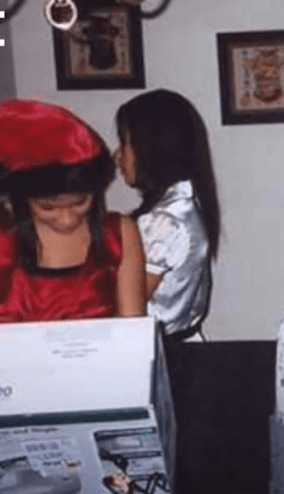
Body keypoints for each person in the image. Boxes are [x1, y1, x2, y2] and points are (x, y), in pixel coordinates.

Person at [0, 99, 146, 372]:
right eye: (48, 207)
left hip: (95, 378)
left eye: (80, 203)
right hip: (9, 379)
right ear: (20, 197)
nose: (66, 219)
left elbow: (132, 334)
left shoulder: (119, 232)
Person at [113, 89, 220, 342]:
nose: (117, 154)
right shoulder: (181, 206)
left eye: (124, 142)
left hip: (166, 354)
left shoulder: (164, 222)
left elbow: (129, 309)